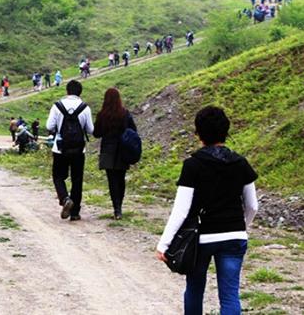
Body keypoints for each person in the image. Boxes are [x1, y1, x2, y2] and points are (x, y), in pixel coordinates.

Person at [156, 106, 258, 315]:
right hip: (234, 235)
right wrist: (242, 227)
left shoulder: (192, 165)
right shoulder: (240, 163)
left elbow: (181, 210)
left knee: (194, 289)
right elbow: (252, 205)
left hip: (201, 239)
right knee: (230, 295)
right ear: (226, 131)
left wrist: (164, 243)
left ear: (199, 133)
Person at [46, 80, 94, 221]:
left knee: (58, 176)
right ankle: (75, 213)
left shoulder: (57, 106)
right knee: (77, 180)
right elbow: (91, 130)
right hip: (79, 150)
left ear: (67, 91)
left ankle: (64, 198)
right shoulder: (85, 108)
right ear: (80, 92)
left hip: (60, 148)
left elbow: (49, 125)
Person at [93, 88, 137, 220]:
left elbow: (96, 133)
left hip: (108, 150)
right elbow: (133, 130)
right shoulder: (125, 113)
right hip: (122, 149)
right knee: (121, 179)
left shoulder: (102, 114)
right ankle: (120, 208)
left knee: (112, 180)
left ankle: (116, 208)